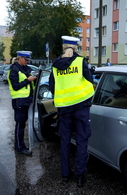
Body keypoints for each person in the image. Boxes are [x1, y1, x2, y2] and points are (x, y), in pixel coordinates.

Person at [49, 36, 94, 187]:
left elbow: (51, 87)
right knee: (81, 142)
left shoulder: (55, 64)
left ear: (63, 47)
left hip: (64, 110)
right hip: (81, 109)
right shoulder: (81, 62)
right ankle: (80, 176)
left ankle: (65, 175)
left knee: (65, 142)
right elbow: (90, 82)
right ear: (76, 48)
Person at [7, 51, 37, 156]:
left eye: (28, 60)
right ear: (19, 58)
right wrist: (28, 80)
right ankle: (19, 147)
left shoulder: (26, 68)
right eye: (26, 59)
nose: (27, 61)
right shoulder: (14, 70)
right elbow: (15, 86)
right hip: (19, 101)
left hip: (27, 100)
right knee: (20, 125)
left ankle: (21, 145)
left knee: (23, 124)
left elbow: (31, 81)